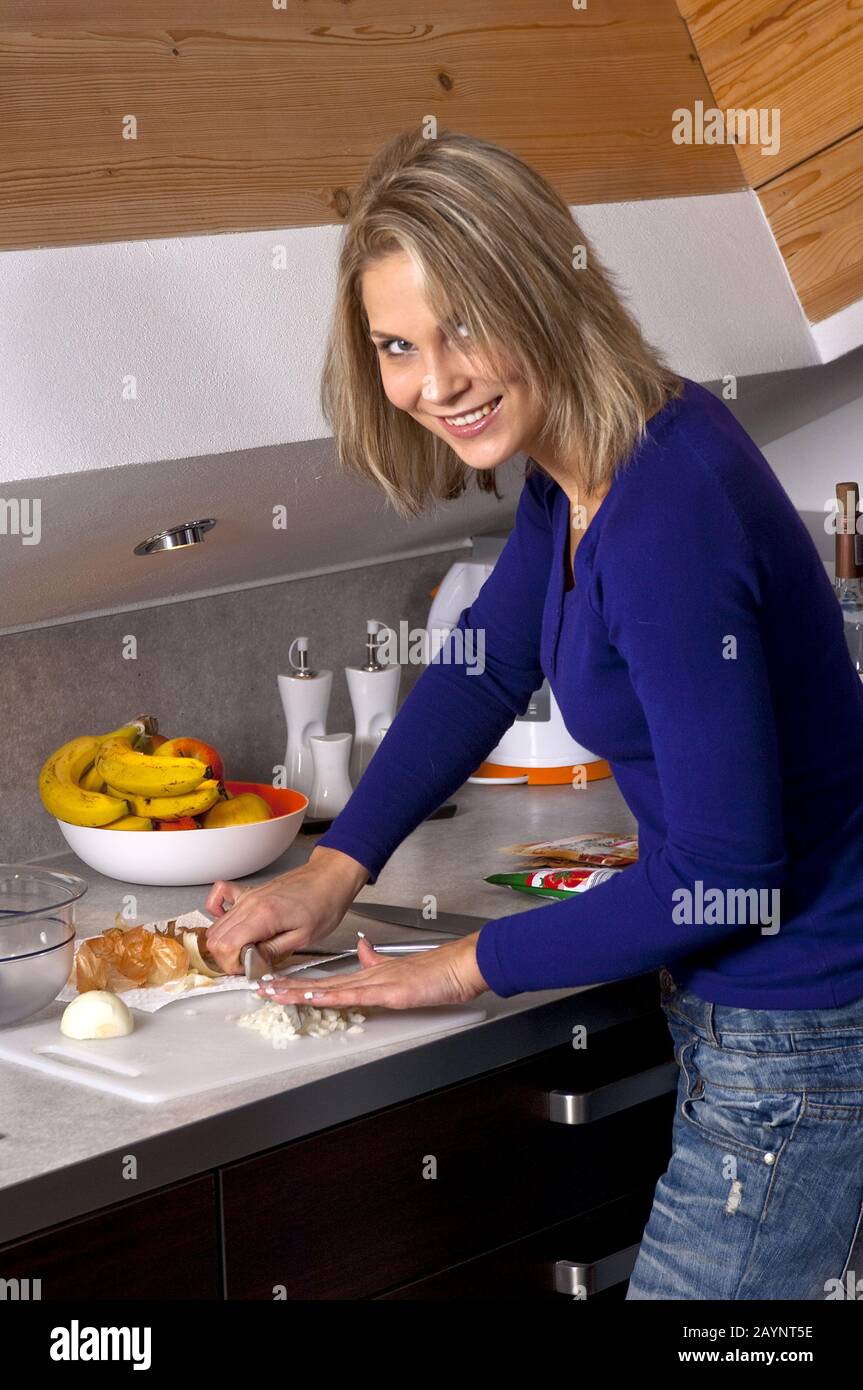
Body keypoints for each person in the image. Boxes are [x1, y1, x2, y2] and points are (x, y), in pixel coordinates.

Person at [205, 129, 863, 1299]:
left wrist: (465, 965)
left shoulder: (662, 508)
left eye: (462, 327)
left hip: (801, 1024)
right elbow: (484, 663)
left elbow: (730, 870)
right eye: (397, 346)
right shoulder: (584, 459)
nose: (432, 381)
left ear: (545, 289)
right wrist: (337, 863)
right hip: (761, 1016)